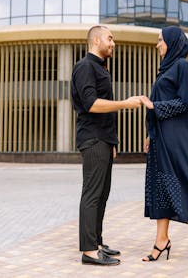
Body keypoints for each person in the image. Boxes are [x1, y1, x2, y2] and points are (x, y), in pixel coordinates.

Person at [140, 26, 188, 262]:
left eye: (160, 40)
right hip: (161, 140)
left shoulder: (183, 66)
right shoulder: (165, 70)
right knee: (161, 188)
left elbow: (185, 102)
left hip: (178, 142)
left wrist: (154, 106)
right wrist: (151, 134)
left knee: (181, 187)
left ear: (172, 42)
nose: (157, 45)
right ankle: (161, 240)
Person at [71, 25, 142, 266]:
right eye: (110, 38)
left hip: (103, 140)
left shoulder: (100, 68)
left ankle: (98, 243)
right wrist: (124, 103)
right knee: (92, 194)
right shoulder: (84, 67)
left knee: (102, 194)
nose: (113, 43)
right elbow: (91, 104)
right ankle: (89, 251)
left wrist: (112, 141)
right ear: (96, 40)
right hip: (92, 139)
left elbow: (104, 112)